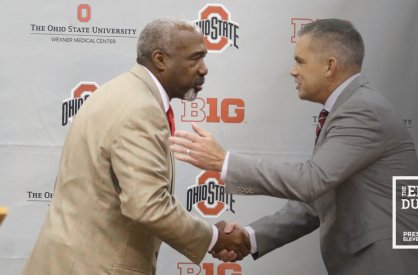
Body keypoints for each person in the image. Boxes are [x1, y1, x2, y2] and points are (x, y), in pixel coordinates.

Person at [169, 19, 418, 274]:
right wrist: (250, 237)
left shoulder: (361, 111)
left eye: (300, 61)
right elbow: (316, 202)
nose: (293, 71)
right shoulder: (346, 110)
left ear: (330, 66)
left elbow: (312, 181)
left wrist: (224, 162)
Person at [22, 17, 249, 275]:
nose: (204, 69)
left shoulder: (121, 91)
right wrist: (213, 238)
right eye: (194, 58)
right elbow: (147, 205)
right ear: (160, 59)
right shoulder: (141, 109)